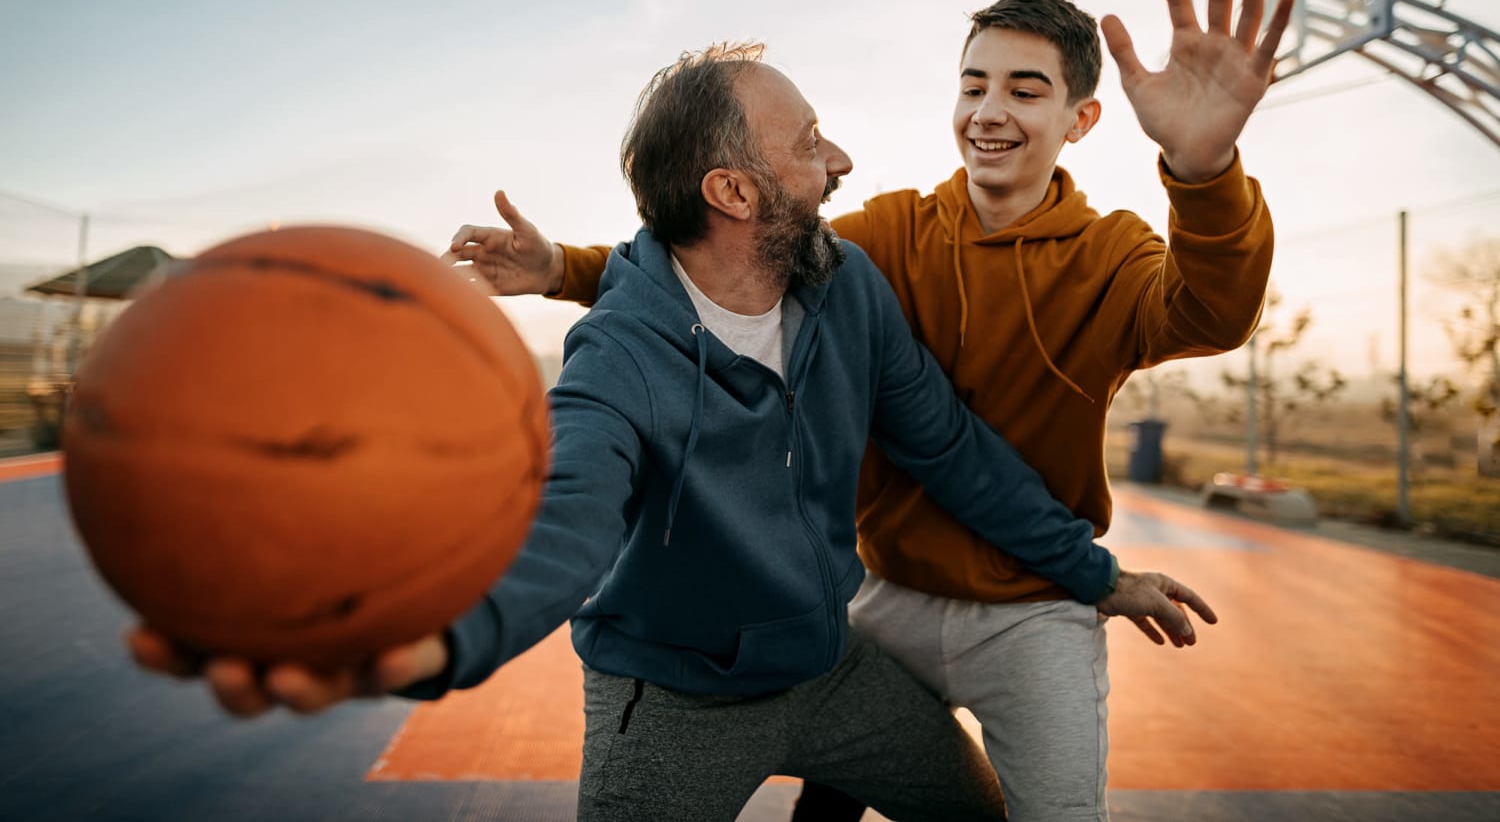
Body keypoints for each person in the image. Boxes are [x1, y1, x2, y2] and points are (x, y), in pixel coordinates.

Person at [130, 41, 1215, 822]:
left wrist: (1093, 571)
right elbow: (562, 520)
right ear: (735, 189)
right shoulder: (623, 356)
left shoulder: (845, 287)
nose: (839, 158)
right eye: (808, 143)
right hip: (677, 698)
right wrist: (444, 636)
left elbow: (946, 446)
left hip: (830, 662)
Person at [448, 0, 1291, 821]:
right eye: (973, 85)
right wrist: (564, 273)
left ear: (1080, 120)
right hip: (797, 638)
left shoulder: (1019, 261)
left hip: (942, 628)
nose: (987, 111)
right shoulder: (853, 253)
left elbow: (1187, 325)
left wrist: (1204, 174)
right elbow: (707, 278)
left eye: (1024, 89)